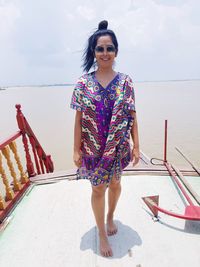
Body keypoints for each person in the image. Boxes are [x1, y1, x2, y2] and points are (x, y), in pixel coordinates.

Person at [70, 20, 140, 257]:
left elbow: (132, 115)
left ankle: (111, 215)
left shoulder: (126, 82)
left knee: (116, 184)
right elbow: (78, 119)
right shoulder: (82, 83)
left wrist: (137, 146)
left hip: (118, 147)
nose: (105, 53)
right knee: (98, 189)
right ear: (94, 52)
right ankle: (101, 231)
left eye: (109, 48)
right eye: (100, 49)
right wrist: (75, 149)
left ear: (116, 51)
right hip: (92, 147)